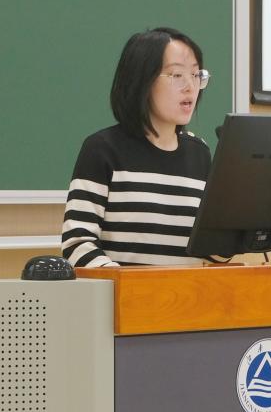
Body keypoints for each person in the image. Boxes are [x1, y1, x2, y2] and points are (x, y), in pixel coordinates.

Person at [61, 27, 212, 267]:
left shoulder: (200, 153)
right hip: (124, 291)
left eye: (195, 75)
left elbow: (212, 253)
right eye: (177, 75)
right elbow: (77, 244)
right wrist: (127, 284)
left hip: (188, 291)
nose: (190, 87)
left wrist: (235, 232)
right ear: (142, 80)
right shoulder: (103, 149)